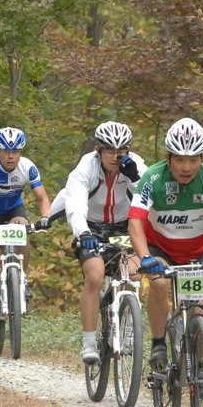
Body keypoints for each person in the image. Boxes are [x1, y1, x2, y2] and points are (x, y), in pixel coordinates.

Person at [127, 117, 203, 371]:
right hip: (158, 250)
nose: (186, 167)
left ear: (202, 159)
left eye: (193, 160)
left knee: (200, 311)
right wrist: (144, 257)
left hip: (195, 254)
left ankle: (200, 369)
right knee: (159, 283)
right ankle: (159, 342)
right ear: (169, 157)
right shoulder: (153, 177)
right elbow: (135, 222)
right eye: (180, 160)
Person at [49, 121, 147, 363]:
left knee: (134, 274)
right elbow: (75, 205)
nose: (116, 156)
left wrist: (134, 177)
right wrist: (83, 234)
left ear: (128, 150)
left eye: (121, 151)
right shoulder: (85, 168)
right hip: (91, 227)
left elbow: (151, 198)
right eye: (109, 151)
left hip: (125, 225)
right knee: (94, 275)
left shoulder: (135, 164)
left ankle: (128, 327)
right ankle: (89, 341)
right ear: (98, 150)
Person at [0, 127, 52, 338]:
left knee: (22, 227)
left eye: (16, 151)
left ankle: (22, 278)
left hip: (13, 211)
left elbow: (42, 197)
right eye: (6, 151)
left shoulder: (27, 167)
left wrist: (45, 218)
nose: (11, 156)